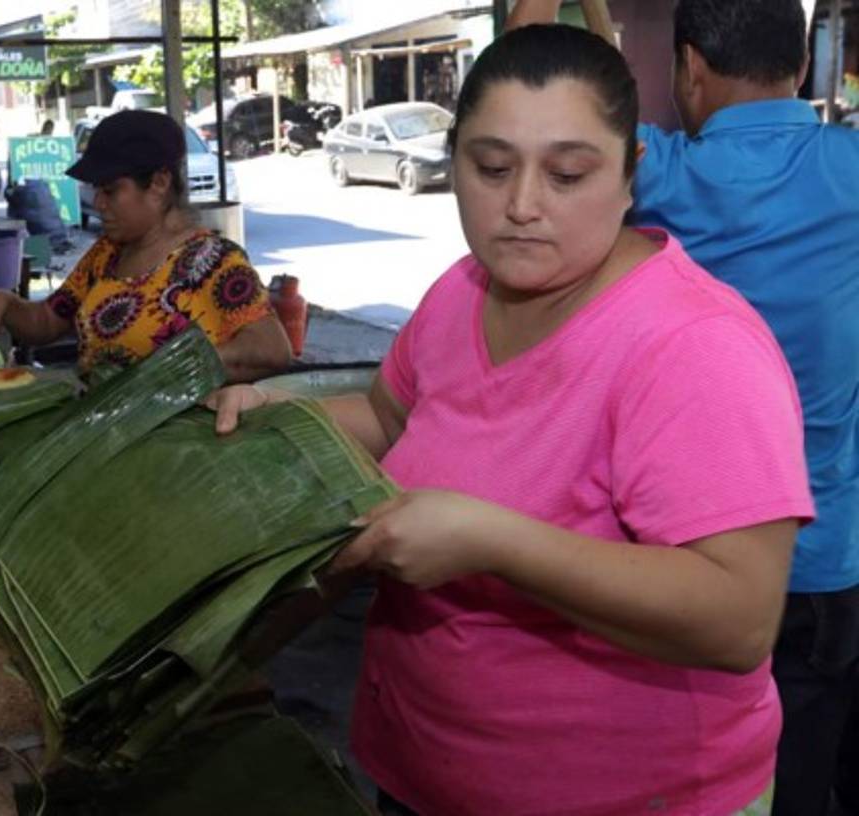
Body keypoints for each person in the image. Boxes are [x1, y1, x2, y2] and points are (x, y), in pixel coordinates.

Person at [208, 25, 813, 815]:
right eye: (492, 168)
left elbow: (737, 621)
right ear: (453, 161)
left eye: (567, 173)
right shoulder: (461, 290)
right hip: (420, 767)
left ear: (632, 176)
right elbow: (392, 419)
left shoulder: (692, 344)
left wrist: (493, 542)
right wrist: (277, 409)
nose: (523, 207)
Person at [505, 3, 859, 813]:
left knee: (691, 775)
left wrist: (588, 18)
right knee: (803, 773)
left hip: (682, 563)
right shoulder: (852, 170)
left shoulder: (664, 174)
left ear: (691, 69)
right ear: (800, 68)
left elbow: (563, 93)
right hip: (826, 558)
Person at [0, 110, 291, 382]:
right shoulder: (106, 256)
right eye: (96, 190)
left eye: (111, 190)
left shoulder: (213, 262)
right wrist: (5, 303)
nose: (99, 202)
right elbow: (47, 321)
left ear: (159, 183)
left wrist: (170, 367)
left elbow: (272, 351)